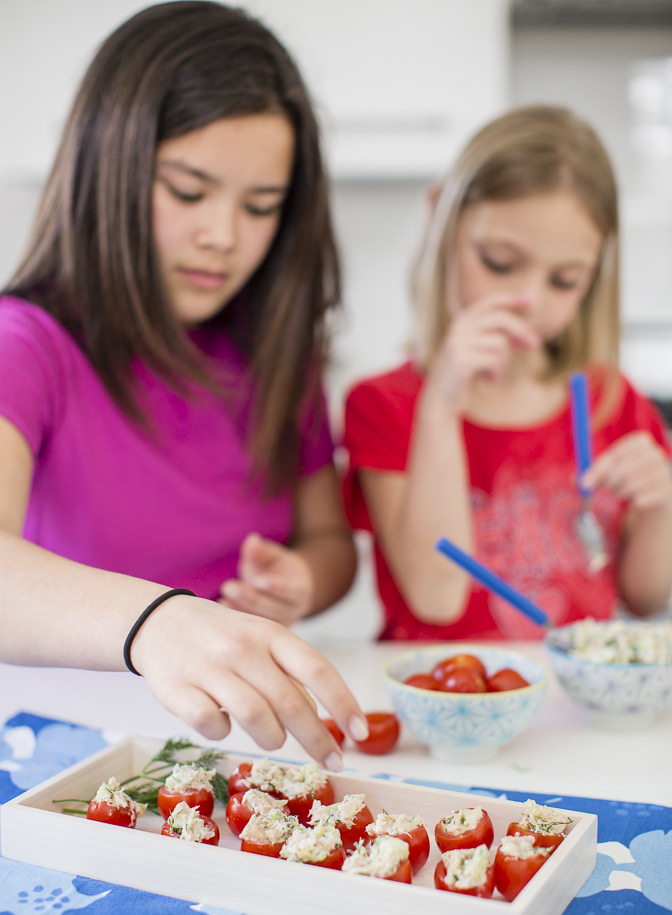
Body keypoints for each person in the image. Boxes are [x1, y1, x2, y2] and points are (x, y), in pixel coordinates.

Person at [0, 1, 369, 767]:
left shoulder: (277, 355)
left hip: (244, 747)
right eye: (189, 191)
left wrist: (300, 582)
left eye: (260, 206)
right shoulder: (25, 344)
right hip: (68, 747)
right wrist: (161, 623)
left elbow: (329, 540)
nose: (223, 237)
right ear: (108, 170)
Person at [343, 104, 672, 641]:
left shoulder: (613, 401)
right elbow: (436, 596)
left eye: (565, 280)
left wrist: (661, 506)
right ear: (439, 223)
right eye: (499, 262)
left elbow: (644, 598)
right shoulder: (385, 406)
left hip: (571, 710)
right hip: (446, 700)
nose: (530, 302)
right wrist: (442, 406)